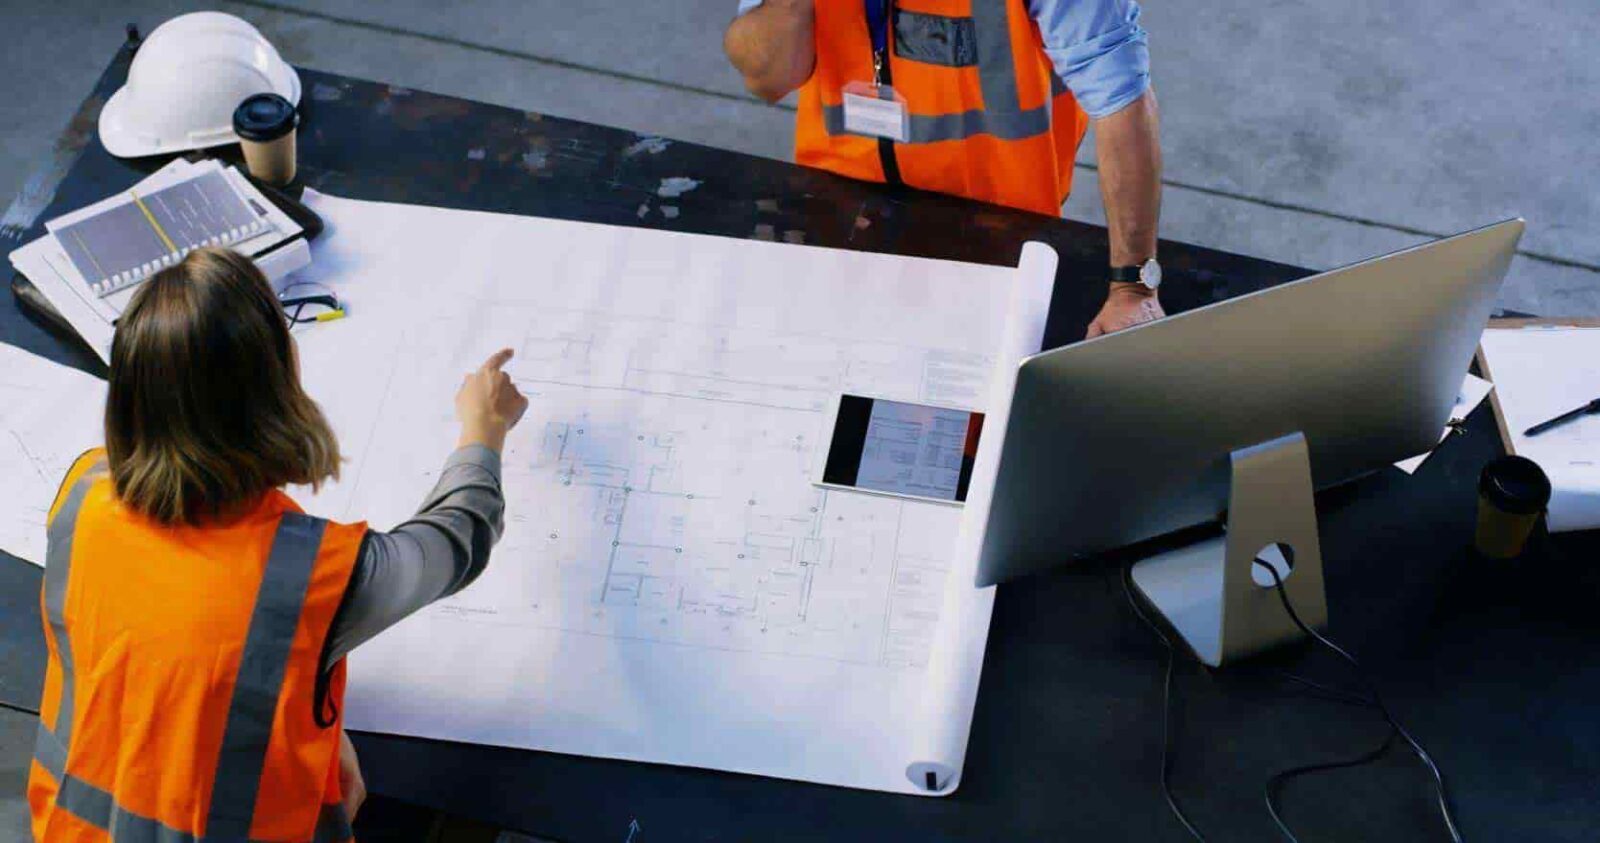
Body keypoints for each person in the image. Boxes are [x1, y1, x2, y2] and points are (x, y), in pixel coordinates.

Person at [27, 247, 529, 841]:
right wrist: (483, 430)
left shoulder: (84, 492)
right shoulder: (306, 579)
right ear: (273, 387)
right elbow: (454, 540)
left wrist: (315, 726)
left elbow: (163, 667)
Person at [725, 0, 1165, 337]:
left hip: (996, 238)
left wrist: (1132, 286)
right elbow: (767, 78)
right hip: (838, 221)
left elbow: (1121, 99)